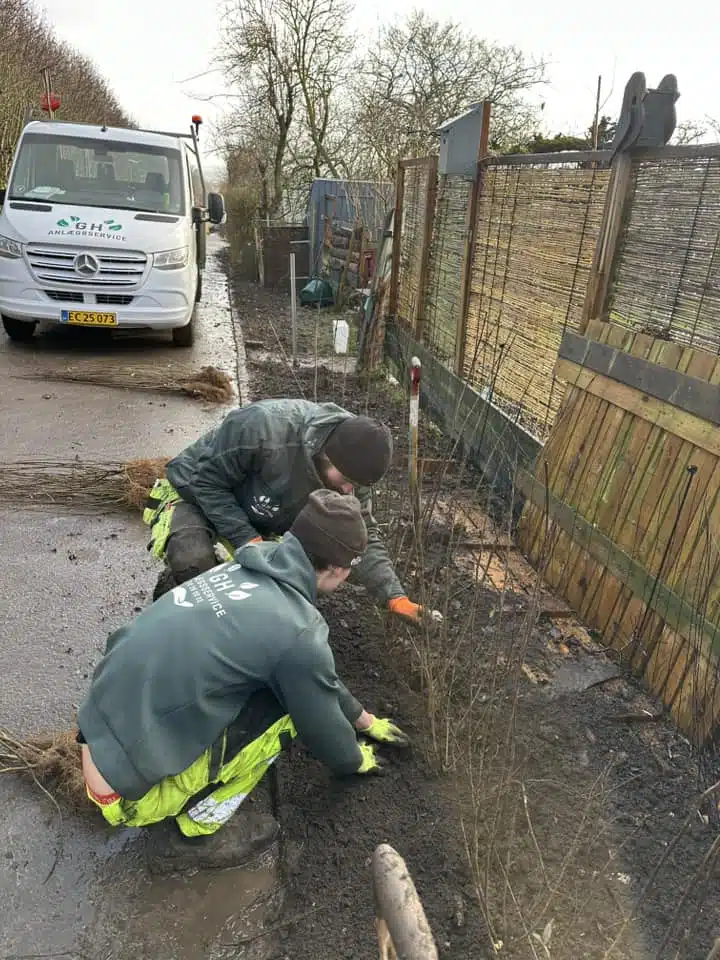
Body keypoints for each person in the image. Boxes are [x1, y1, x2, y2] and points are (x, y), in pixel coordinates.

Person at [76, 490, 410, 847]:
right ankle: (199, 824)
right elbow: (322, 723)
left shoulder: (243, 566)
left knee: (280, 683)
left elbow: (314, 674)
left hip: (94, 731)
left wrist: (364, 719)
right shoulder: (296, 630)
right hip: (124, 797)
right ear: (341, 570)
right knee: (287, 713)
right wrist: (356, 759)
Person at [143, 397, 436, 625]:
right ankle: (173, 601)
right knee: (194, 563)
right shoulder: (264, 428)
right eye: (346, 482)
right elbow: (206, 482)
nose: (349, 491)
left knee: (279, 585)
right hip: (194, 493)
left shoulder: (352, 468)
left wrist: (394, 595)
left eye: (356, 486)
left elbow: (361, 534)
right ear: (326, 456)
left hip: (259, 517)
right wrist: (250, 541)